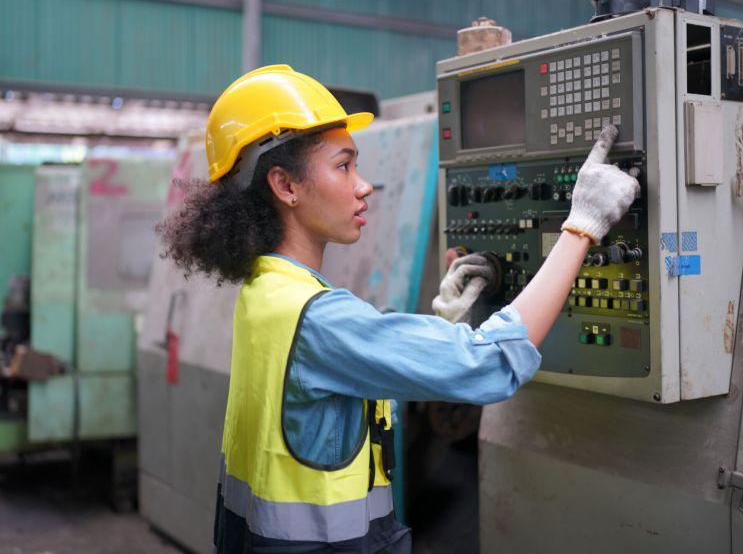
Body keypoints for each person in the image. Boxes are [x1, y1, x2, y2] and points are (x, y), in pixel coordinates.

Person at [158, 64, 639, 553]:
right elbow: (490, 363)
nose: (363, 185)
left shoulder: (266, 292)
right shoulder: (316, 316)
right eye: (344, 166)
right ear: (286, 186)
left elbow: (347, 377)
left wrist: (439, 325)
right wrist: (582, 225)